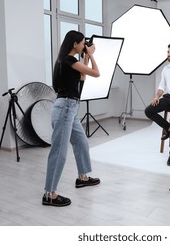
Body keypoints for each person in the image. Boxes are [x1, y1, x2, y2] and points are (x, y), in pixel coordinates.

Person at [43, 30, 101, 207]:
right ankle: (49, 194)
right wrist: (91, 55)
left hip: (69, 108)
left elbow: (82, 77)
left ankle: (82, 177)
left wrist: (86, 56)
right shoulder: (69, 60)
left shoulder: (66, 61)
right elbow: (96, 73)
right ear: (75, 44)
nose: (85, 46)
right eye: (83, 43)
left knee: (81, 142)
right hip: (66, 109)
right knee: (59, 150)